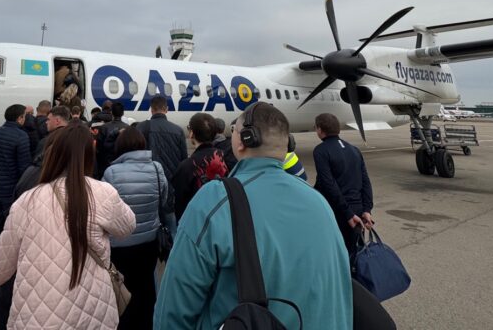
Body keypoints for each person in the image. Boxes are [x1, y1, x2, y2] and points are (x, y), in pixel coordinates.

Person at [154, 102, 352, 329]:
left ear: (244, 140)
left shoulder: (214, 200)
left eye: (235, 131)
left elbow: (172, 311)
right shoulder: (319, 202)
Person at [0, 121, 136, 329]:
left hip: (38, 317)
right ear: (89, 155)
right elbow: (127, 228)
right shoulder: (103, 193)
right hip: (92, 312)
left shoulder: (27, 200)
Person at [102, 127, 168, 329]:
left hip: (120, 245)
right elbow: (163, 200)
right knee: (146, 286)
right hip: (149, 243)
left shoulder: (111, 172)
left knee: (122, 289)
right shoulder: (157, 168)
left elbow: (106, 209)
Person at [313, 112, 374, 255]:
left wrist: (347, 213)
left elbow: (328, 184)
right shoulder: (354, 150)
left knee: (336, 255)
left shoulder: (321, 151)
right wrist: (367, 209)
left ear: (320, 130)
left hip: (338, 212)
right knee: (354, 253)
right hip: (357, 211)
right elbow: (365, 181)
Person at [0, 104, 32, 263]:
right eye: (24, 116)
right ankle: (6, 267)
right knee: (11, 230)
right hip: (10, 191)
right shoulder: (21, 136)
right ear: (20, 118)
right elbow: (24, 168)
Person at [171, 113, 228, 221]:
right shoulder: (225, 157)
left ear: (192, 133)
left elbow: (178, 202)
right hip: (223, 219)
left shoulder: (187, 166)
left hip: (195, 224)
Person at [136, 95, 187, 181]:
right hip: (172, 182)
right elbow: (184, 159)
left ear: (151, 110)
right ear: (166, 109)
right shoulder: (178, 130)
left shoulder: (141, 127)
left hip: (148, 180)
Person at [95, 102, 129, 178]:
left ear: (111, 112)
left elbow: (99, 149)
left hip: (106, 166)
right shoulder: (128, 128)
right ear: (123, 113)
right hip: (123, 166)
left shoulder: (104, 127)